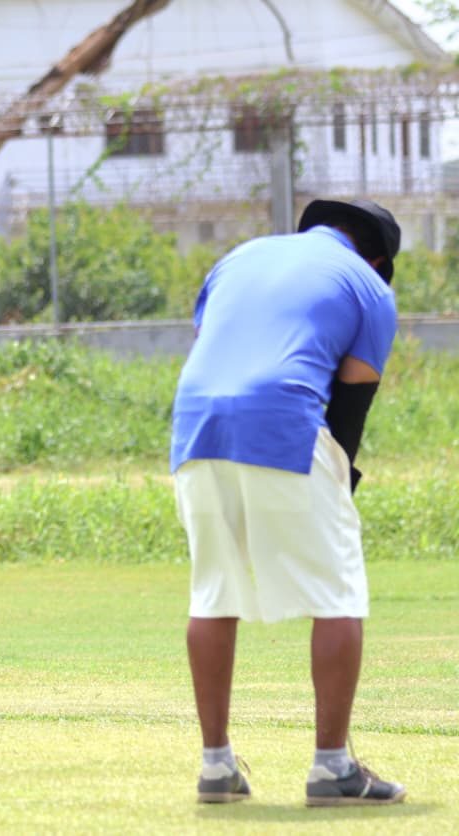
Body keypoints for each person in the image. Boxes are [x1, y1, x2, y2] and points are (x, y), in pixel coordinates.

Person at [171, 198, 407, 806]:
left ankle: (217, 766)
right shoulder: (368, 288)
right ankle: (333, 769)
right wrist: (340, 479)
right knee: (337, 593)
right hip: (284, 420)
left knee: (213, 590)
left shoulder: (239, 258)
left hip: (195, 425)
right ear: (378, 258)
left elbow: (217, 343)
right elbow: (350, 405)